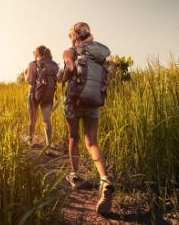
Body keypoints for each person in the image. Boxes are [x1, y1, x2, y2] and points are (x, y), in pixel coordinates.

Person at [61, 22, 115, 215]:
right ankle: (104, 179)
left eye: (70, 36)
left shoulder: (71, 50)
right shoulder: (99, 52)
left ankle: (75, 175)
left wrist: (63, 75)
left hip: (74, 101)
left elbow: (67, 69)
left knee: (74, 137)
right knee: (92, 142)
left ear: (75, 36)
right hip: (94, 101)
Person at [24, 45, 59, 150]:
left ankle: (30, 138)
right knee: (47, 120)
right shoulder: (53, 65)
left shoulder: (33, 64)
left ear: (37, 53)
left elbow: (30, 80)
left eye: (34, 51)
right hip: (48, 94)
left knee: (32, 119)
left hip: (34, 94)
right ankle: (49, 143)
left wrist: (25, 74)